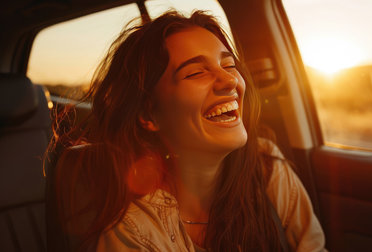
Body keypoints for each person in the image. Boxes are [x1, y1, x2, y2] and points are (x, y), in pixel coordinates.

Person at [50, 10, 326, 252]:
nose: (229, 80)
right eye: (196, 73)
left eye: (229, 65)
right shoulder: (134, 233)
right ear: (149, 114)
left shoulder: (268, 170)